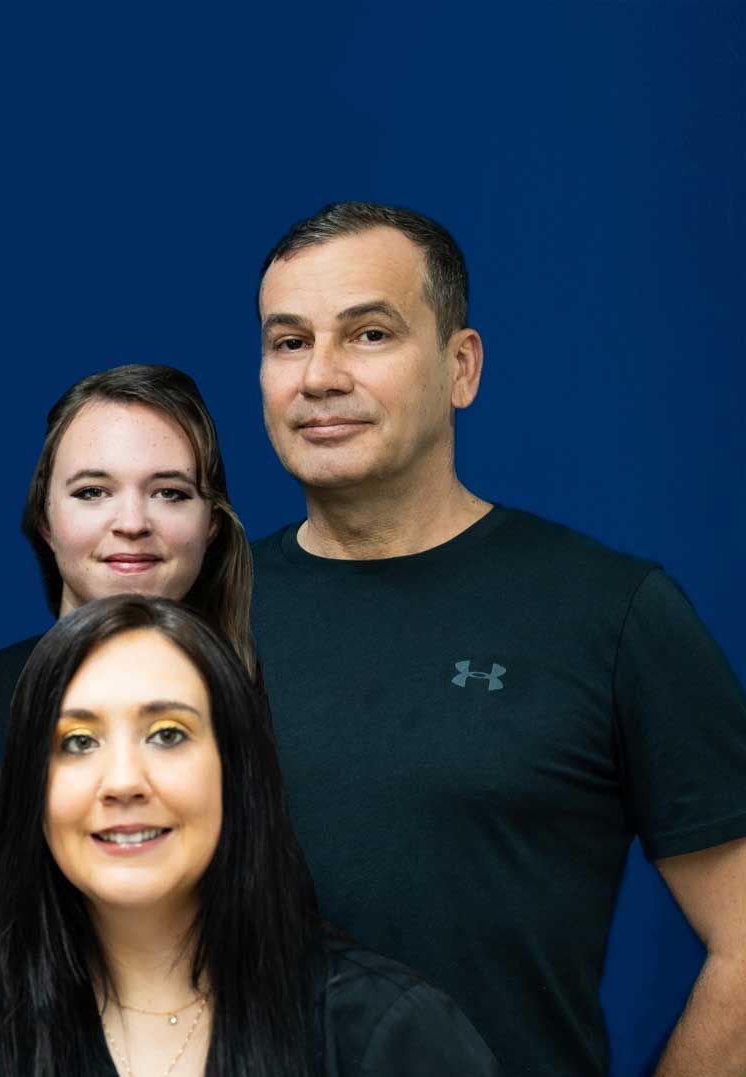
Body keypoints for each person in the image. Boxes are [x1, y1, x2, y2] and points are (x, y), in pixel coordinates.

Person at [252, 201, 746, 1076]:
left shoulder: (609, 611)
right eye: (289, 341)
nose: (319, 375)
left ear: (461, 367)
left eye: (369, 334)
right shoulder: (199, 616)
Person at [0, 595, 498, 1076]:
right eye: (78, 742)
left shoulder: (387, 1033)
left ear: (235, 770)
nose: (121, 782)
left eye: (167, 734)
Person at [0, 365, 249, 748]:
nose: (132, 523)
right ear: (45, 518)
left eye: (169, 492)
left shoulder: (272, 703)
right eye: (92, 492)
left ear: (212, 523)